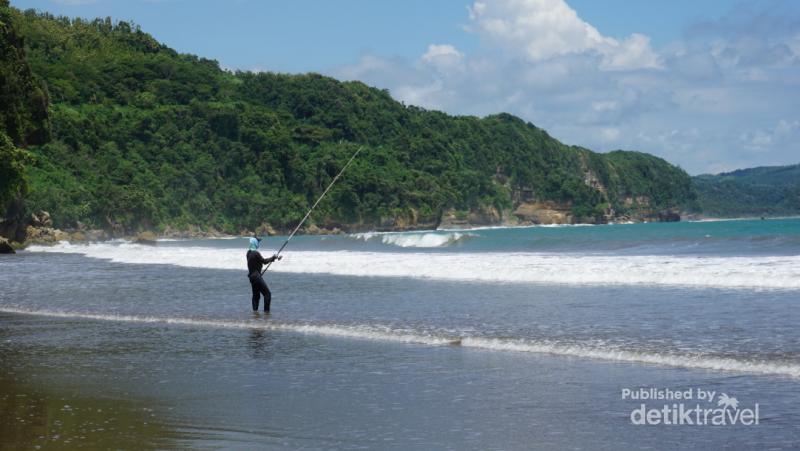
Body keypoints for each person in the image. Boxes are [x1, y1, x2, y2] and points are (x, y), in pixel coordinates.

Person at [246, 237, 281, 312]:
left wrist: (273, 259)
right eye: (258, 241)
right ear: (255, 243)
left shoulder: (248, 253)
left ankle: (255, 313)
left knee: (256, 296)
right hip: (256, 277)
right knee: (267, 294)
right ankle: (266, 313)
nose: (258, 243)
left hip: (252, 277)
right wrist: (273, 257)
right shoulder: (256, 253)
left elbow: (255, 264)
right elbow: (264, 261)